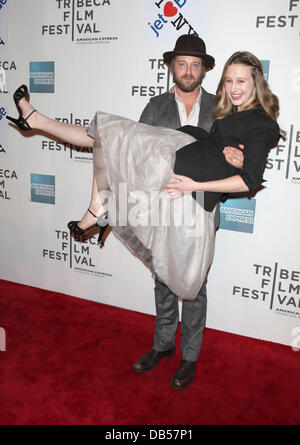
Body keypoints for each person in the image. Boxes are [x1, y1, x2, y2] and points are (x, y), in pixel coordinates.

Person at [7, 50, 281, 392]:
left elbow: (247, 173)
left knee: (192, 285)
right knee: (161, 270)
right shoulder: (170, 107)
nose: (234, 86)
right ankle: (163, 344)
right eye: (230, 80)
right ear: (172, 67)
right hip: (162, 193)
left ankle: (189, 358)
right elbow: (134, 159)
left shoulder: (225, 107)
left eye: (240, 80)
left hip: (195, 201)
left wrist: (234, 165)